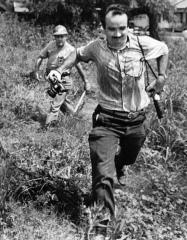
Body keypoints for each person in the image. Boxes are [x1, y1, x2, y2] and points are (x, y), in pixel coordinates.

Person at [53, 5, 169, 239]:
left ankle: (118, 165)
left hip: (137, 120)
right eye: (112, 29)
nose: (117, 34)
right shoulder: (96, 47)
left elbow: (164, 48)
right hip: (106, 119)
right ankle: (100, 229)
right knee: (103, 174)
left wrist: (162, 77)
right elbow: (77, 53)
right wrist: (60, 70)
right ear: (103, 29)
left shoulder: (141, 43)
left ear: (128, 27)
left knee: (128, 157)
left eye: (122, 28)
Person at [34, 25, 90, 128]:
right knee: (61, 101)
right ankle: (74, 119)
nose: (59, 39)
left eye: (62, 36)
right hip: (52, 79)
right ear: (54, 37)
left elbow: (78, 66)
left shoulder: (70, 50)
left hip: (64, 80)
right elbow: (40, 57)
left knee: (56, 103)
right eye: (57, 36)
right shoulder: (51, 46)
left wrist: (86, 81)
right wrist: (36, 70)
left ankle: (48, 126)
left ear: (66, 36)